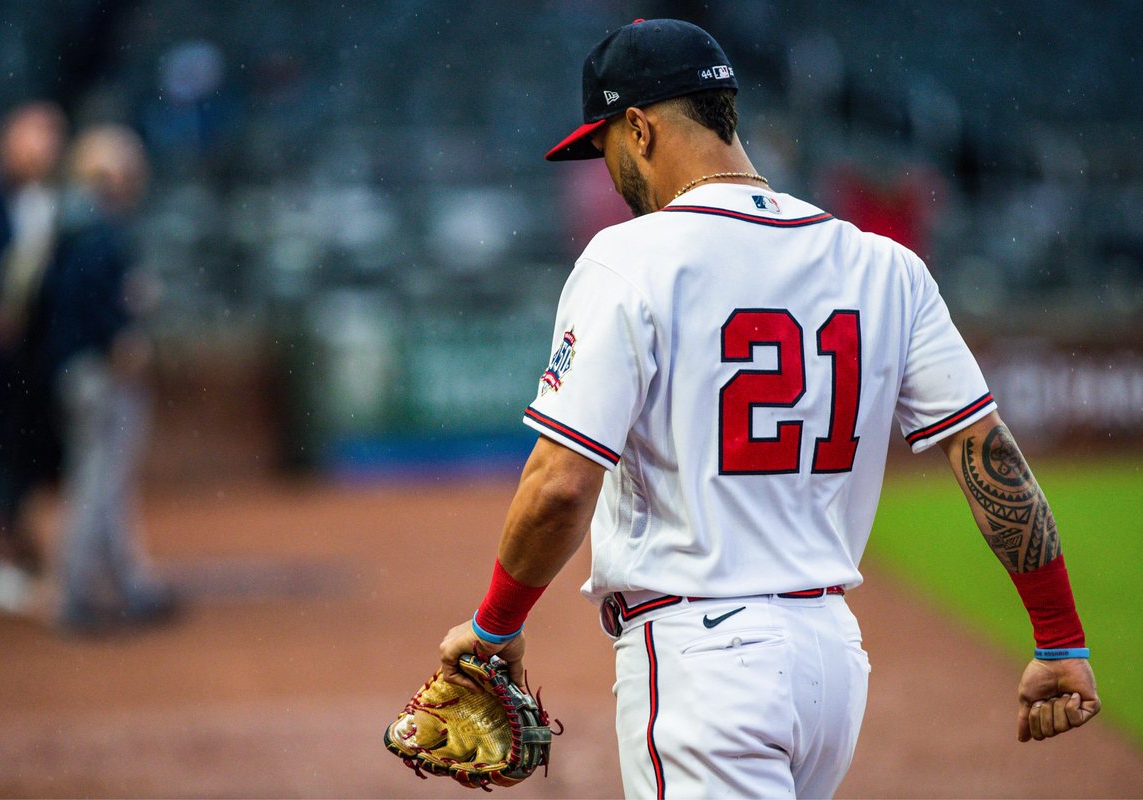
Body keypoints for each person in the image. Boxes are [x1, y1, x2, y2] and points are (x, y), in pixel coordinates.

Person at [438, 19, 1100, 799]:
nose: (611, 171)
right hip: (829, 664)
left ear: (641, 128)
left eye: (607, 144)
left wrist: (494, 628)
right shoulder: (882, 266)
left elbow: (558, 485)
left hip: (702, 662)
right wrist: (1058, 636)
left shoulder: (630, 259)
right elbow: (990, 459)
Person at [37, 124, 175, 633]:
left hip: (81, 369)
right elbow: (90, 298)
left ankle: (128, 586)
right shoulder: (92, 228)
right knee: (96, 485)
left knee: (105, 484)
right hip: (96, 373)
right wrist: (117, 335)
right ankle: (72, 596)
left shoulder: (77, 223)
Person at [0, 102, 67, 610]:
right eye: (31, 138)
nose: (40, 149)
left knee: (24, 455)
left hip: (32, 359)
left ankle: (19, 549)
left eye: (48, 139)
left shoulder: (53, 206)